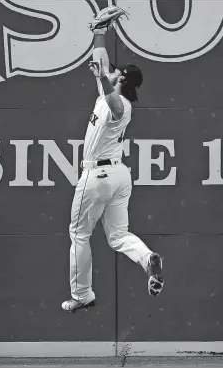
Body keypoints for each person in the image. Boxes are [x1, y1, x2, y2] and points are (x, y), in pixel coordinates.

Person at [61, 25, 164, 312]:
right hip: (118, 175)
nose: (111, 70)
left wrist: (103, 81)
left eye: (116, 72)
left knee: (79, 234)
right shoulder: (110, 92)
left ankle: (82, 295)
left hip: (97, 176)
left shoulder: (122, 106)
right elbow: (102, 61)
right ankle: (148, 259)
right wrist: (99, 31)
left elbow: (113, 101)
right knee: (118, 236)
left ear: (121, 79)